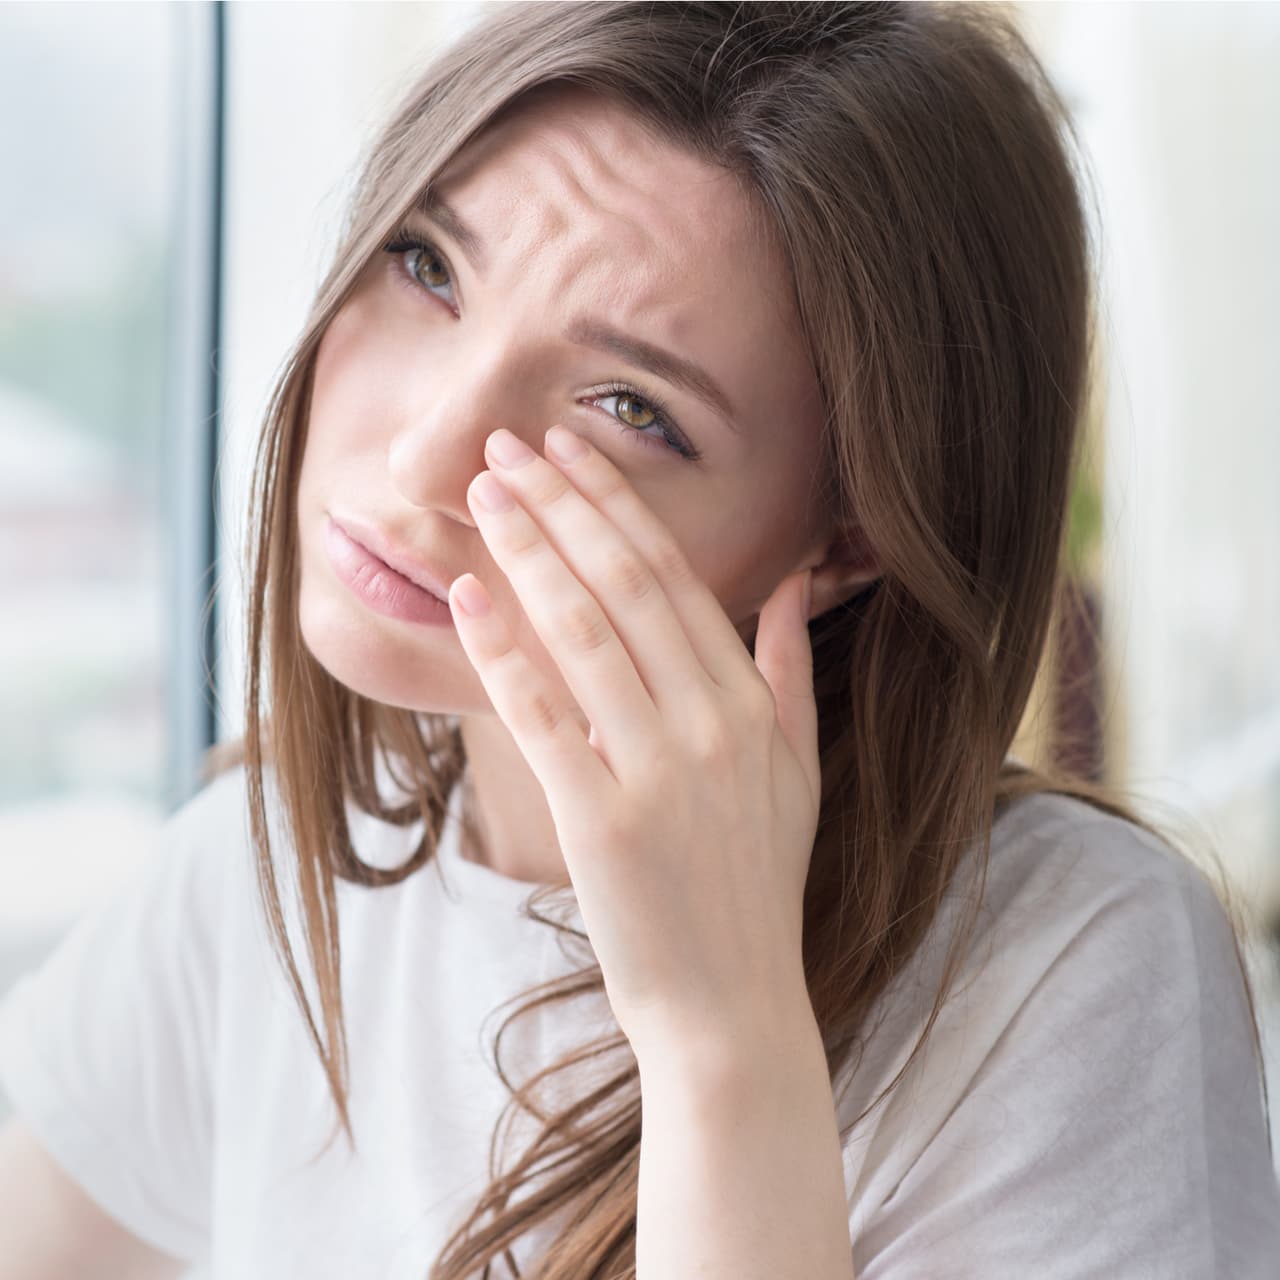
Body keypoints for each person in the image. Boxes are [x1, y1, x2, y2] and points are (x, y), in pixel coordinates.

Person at [1, 2, 1277, 1276]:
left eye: (626, 407)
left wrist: (722, 1047)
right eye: (428, 266)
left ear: (844, 541)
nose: (422, 455)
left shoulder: (1066, 963)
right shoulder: (268, 870)